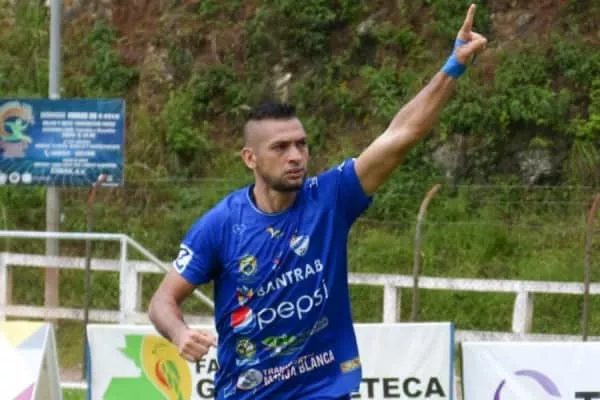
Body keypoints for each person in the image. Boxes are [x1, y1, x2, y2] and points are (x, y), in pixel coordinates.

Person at [149, 4, 487, 399]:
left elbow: (401, 135)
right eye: (281, 147)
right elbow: (162, 301)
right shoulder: (221, 224)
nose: (296, 156)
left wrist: (453, 66)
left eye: (301, 144)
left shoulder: (331, 197)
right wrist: (180, 333)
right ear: (250, 158)